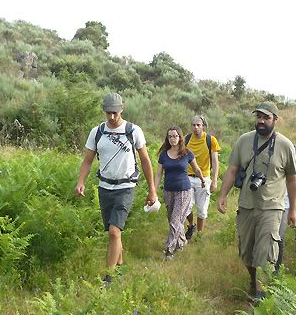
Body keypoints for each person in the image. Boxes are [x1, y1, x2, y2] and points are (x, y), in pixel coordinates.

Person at [217, 101, 296, 303]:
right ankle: (254, 280)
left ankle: (260, 297)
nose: (261, 121)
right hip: (246, 205)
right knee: (246, 251)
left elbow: (291, 178)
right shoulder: (244, 141)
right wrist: (222, 195)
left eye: (266, 117)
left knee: (265, 251)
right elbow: (232, 170)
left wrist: (294, 209)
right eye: (259, 117)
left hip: (272, 207)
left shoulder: (285, 145)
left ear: (275, 120)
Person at [75, 92, 158, 286]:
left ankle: (108, 278)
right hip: (104, 187)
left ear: (122, 109)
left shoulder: (133, 130)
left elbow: (145, 160)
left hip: (126, 187)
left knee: (114, 232)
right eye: (108, 113)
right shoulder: (97, 132)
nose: (112, 117)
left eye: (115, 113)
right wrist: (81, 182)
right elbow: (87, 160)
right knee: (113, 233)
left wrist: (152, 190)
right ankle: (120, 267)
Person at [155, 126, 205, 260]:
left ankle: (169, 250)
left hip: (184, 191)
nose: (173, 139)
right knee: (172, 219)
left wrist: (202, 180)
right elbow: (159, 174)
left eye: (175, 136)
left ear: (180, 137)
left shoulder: (187, 153)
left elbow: (196, 168)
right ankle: (181, 241)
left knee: (175, 220)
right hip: (168, 191)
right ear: (167, 138)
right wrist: (153, 191)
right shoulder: (163, 155)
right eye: (170, 136)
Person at [184, 115, 221, 240]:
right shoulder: (186, 139)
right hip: (187, 177)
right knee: (186, 206)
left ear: (203, 126)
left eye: (198, 125)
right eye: (193, 125)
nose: (195, 127)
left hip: (204, 179)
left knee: (202, 210)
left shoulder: (211, 140)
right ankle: (191, 225)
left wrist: (214, 181)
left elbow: (215, 161)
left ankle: (199, 235)